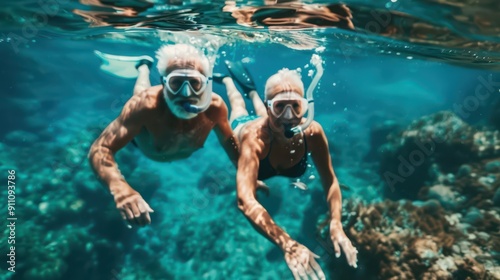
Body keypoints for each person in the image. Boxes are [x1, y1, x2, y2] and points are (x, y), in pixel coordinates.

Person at [219, 56, 357, 279]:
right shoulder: (254, 140)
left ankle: (255, 94)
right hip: (243, 126)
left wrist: (336, 222)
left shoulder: (312, 132)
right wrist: (287, 244)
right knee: (238, 107)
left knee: (264, 114)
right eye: (279, 107)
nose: (289, 116)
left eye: (295, 106)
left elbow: (330, 180)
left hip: (265, 120)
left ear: (305, 106)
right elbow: (245, 200)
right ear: (270, 107)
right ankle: (227, 80)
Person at [88, 44, 238, 228]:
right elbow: (100, 148)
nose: (186, 94)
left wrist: (247, 173)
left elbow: (229, 141)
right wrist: (120, 189)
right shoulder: (145, 106)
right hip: (142, 137)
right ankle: (143, 68)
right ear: (163, 82)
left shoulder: (214, 107)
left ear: (206, 82)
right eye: (176, 83)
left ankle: (145, 67)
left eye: (194, 82)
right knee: (141, 94)